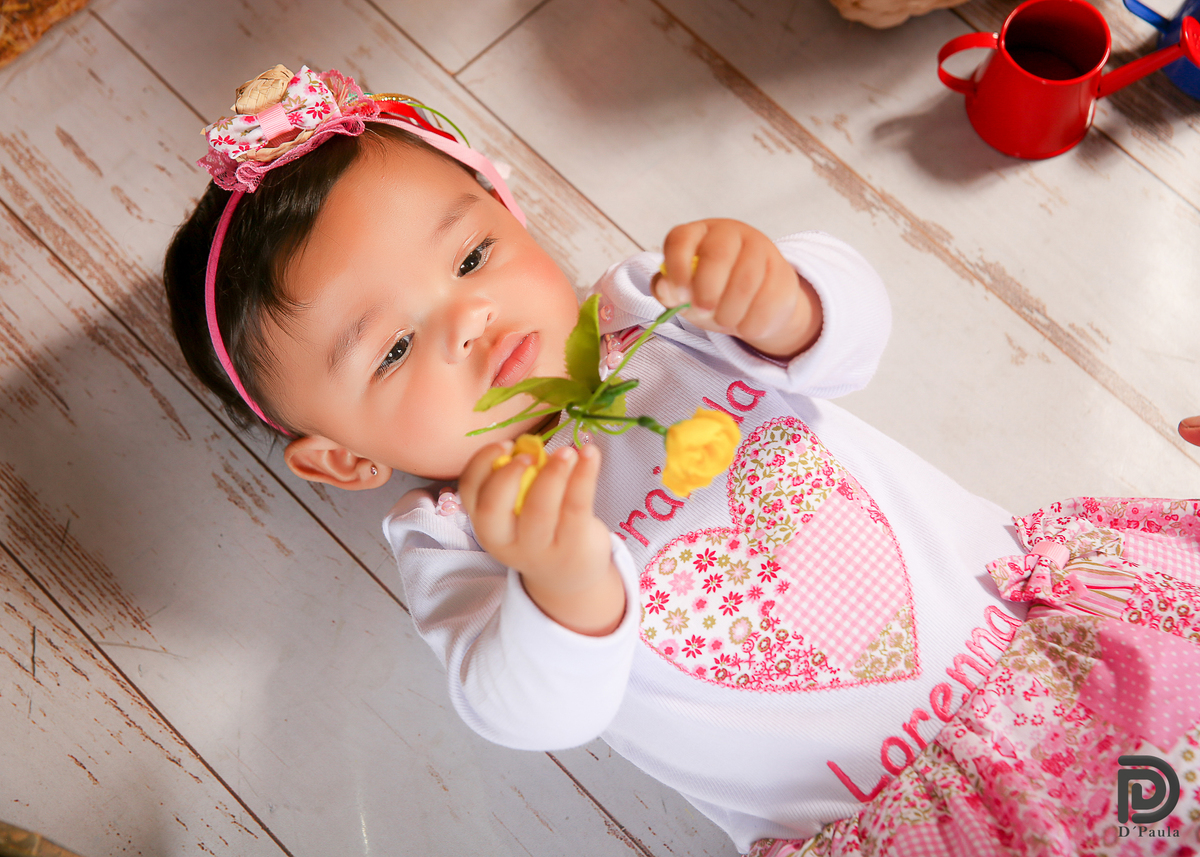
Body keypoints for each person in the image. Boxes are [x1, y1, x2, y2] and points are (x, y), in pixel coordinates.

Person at [165, 65, 1199, 854]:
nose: (469, 317)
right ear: (343, 457)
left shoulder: (655, 313)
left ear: (513, 215)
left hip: (1050, 648)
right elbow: (525, 708)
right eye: (391, 348)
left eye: (473, 255)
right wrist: (562, 582)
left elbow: (854, 343)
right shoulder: (463, 537)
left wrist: (788, 300)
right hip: (909, 819)